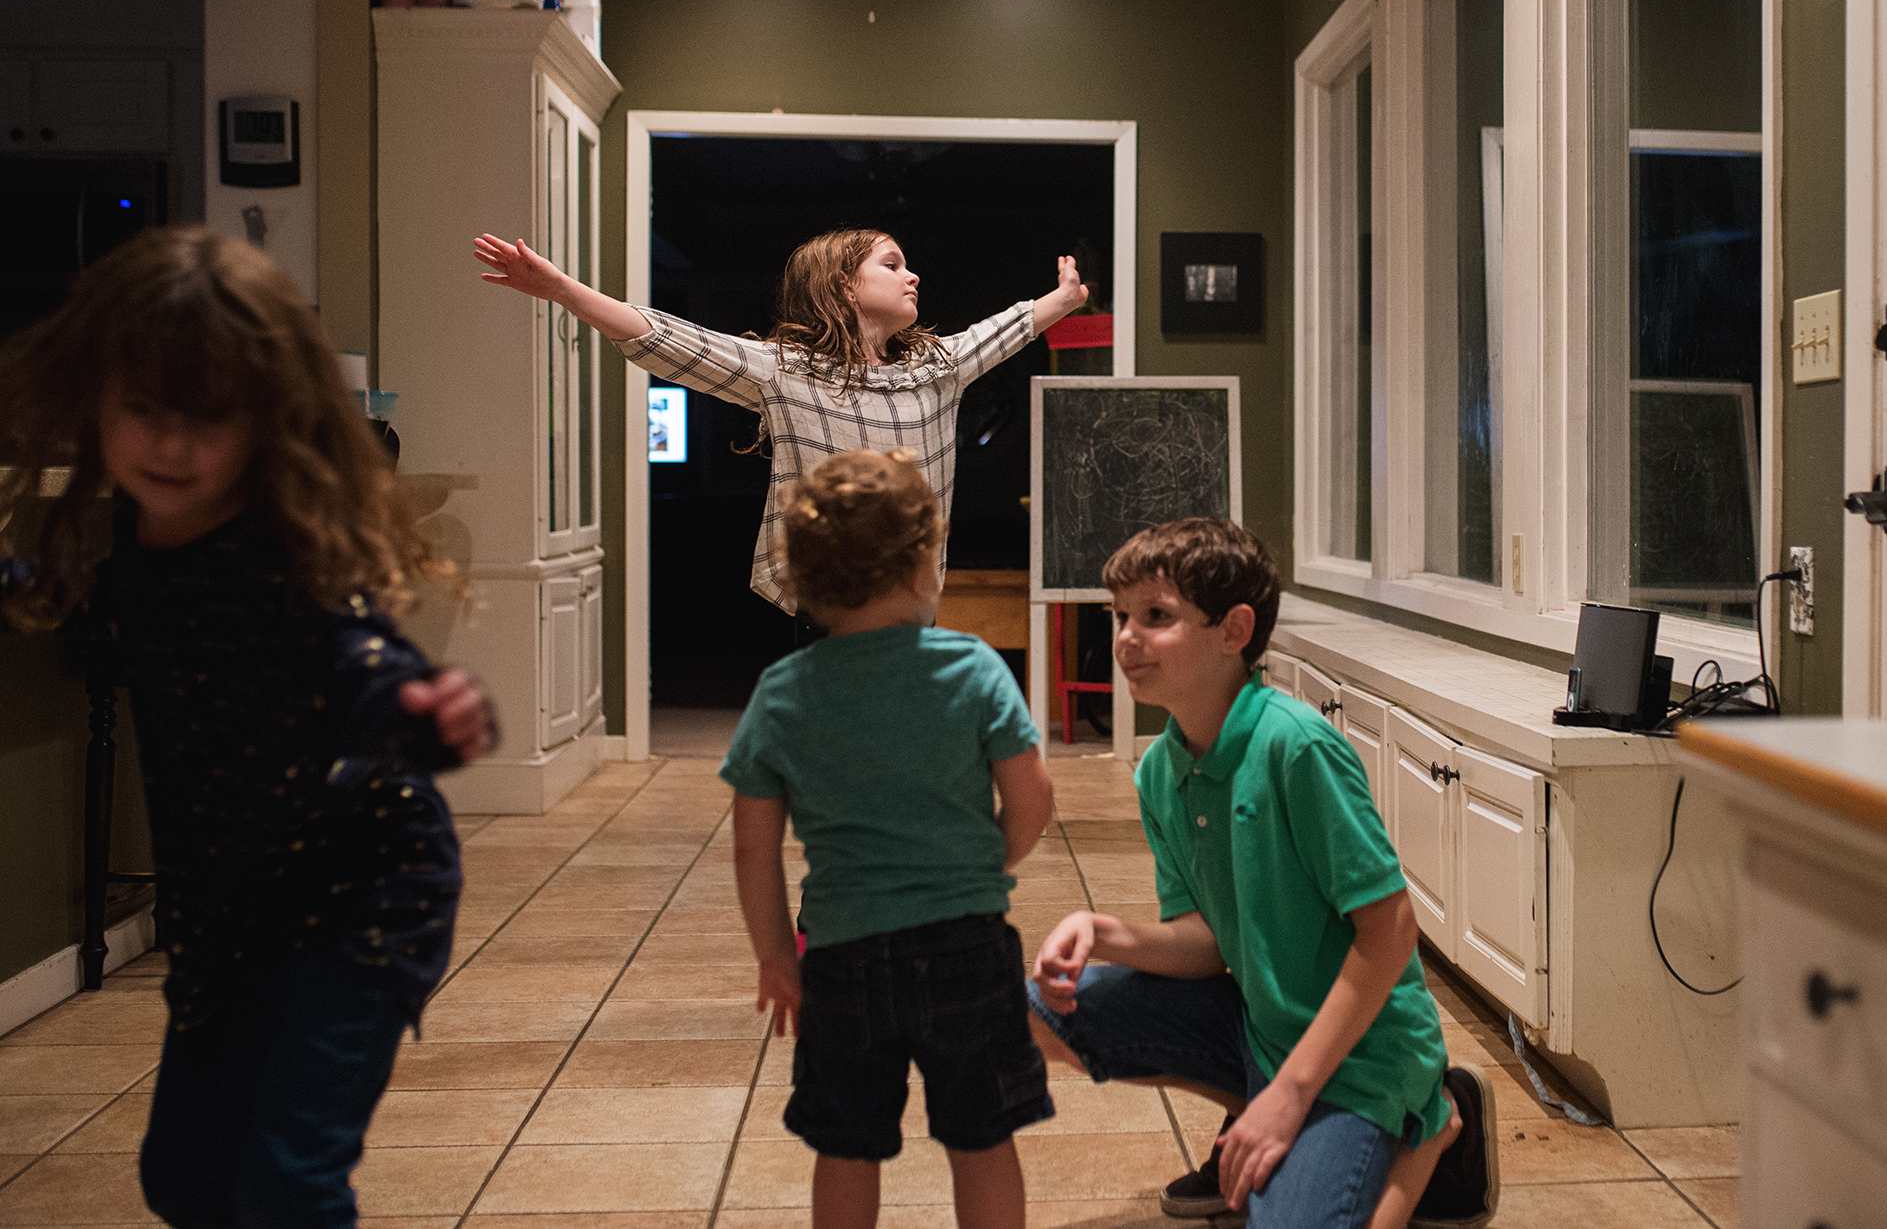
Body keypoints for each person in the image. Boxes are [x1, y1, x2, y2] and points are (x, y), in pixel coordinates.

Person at [0, 227, 498, 1229]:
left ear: (268, 421)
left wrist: (424, 715)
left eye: (207, 419)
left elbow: (360, 660)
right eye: (143, 411)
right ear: (98, 400)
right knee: (183, 1178)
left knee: (288, 1185)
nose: (170, 445)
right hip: (230, 906)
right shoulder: (123, 541)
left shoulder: (283, 560)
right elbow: (62, 597)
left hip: (361, 900)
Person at [1024, 518, 1501, 1229]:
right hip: (1262, 1027)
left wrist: (1293, 1094)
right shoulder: (1161, 768)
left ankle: (1431, 1123)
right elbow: (1207, 942)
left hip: (1364, 1052)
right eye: (1120, 615)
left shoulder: (1295, 746)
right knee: (1038, 1009)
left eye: (1156, 616)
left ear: (1234, 629)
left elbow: (1392, 928)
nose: (1126, 636)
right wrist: (1100, 931)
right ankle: (1257, 1113)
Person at [721, 448, 1058, 1229]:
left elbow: (752, 846)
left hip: (841, 956)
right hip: (966, 944)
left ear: (803, 580)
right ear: (919, 567)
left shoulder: (783, 692)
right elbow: (1033, 797)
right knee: (982, 1136)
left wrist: (776, 955)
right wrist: (984, 863)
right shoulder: (971, 667)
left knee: (847, 1144)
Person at [473, 227, 1089, 614]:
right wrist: (563, 290)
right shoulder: (787, 371)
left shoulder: (936, 366)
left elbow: (1003, 331)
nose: (913, 275)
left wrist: (1062, 300)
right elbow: (673, 341)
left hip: (909, 598)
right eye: (893, 265)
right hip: (818, 601)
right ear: (845, 287)